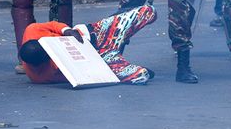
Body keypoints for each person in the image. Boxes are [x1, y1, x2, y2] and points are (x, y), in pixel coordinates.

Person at [19, 5, 157, 85]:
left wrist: (66, 30)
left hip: (93, 34)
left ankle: (116, 47)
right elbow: (79, 76)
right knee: (140, 75)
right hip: (98, 59)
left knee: (148, 12)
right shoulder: (41, 76)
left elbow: (53, 25)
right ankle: (122, 63)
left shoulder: (32, 30)